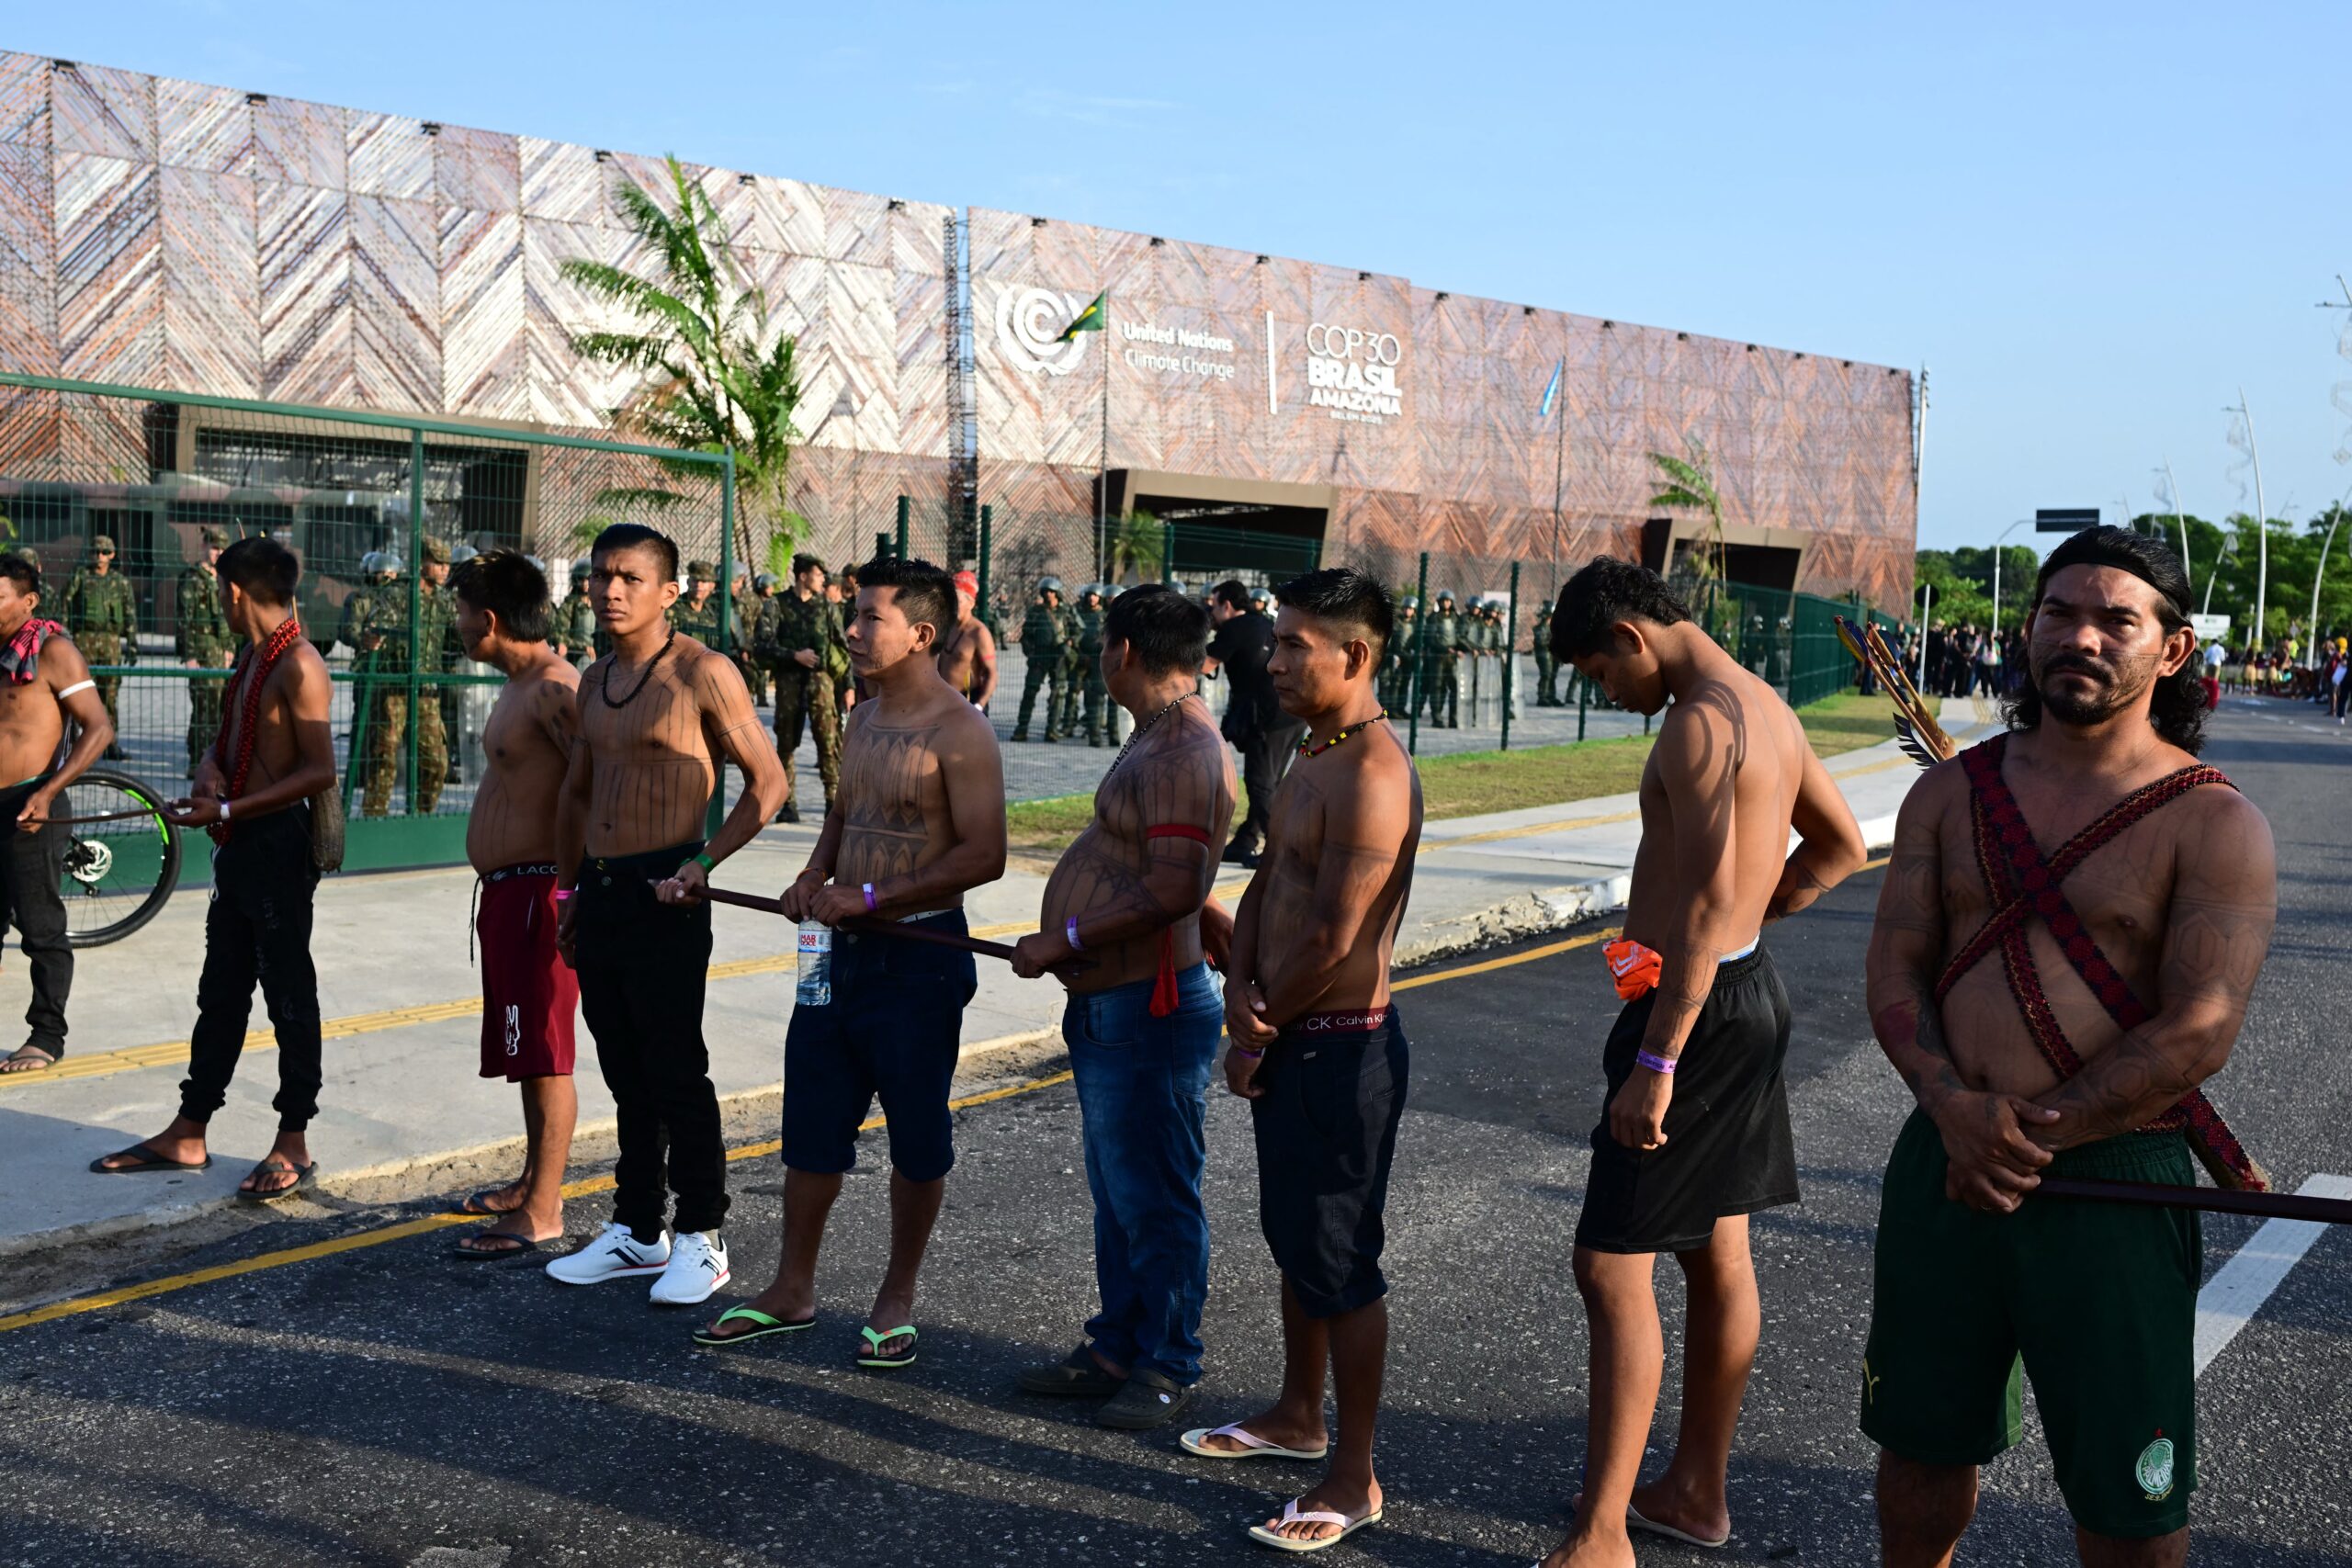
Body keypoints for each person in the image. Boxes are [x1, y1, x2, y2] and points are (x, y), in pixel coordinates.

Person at [1861, 526, 2277, 1568]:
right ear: (2029, 626)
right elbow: (1895, 967)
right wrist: (1953, 1109)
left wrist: (2032, 1137)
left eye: (2115, 620)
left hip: (2110, 1181)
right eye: (2059, 612)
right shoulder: (1948, 794)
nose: (2080, 637)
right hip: (1945, 1162)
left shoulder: (2212, 824)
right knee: (1915, 1465)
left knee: (2127, 1505)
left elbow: (2200, 1027)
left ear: (2170, 651)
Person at [1540, 557, 1868, 1568]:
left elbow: (1697, 907)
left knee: (1610, 1264)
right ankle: (1693, 1491)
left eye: (1601, 674)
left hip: (1691, 1016)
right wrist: (1750, 924)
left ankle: (1602, 1539)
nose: (1610, 695)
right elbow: (1838, 847)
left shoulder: (1698, 721)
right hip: (1739, 991)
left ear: (1633, 636)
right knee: (1715, 1248)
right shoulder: (1763, 702)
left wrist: (1658, 1058)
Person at [695, 557, 1006, 1369]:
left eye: (871, 617)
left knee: (916, 1133)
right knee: (813, 1121)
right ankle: (791, 1287)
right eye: (854, 613)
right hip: (832, 954)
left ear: (922, 634)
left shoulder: (960, 731)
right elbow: (844, 808)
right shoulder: (864, 716)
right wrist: (812, 876)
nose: (853, 629)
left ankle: (896, 1295)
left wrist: (873, 899)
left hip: (919, 958)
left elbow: (986, 854)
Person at [1186, 567, 1417, 1551]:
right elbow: (1276, 885)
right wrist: (1237, 973)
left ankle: (1353, 1473)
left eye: (1292, 645)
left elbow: (1334, 935)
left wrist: (1255, 1027)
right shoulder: (1314, 751)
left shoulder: (1371, 774)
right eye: (1275, 641)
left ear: (1353, 656)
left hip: (1336, 1048)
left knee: (1339, 1260)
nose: (1271, 660)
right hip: (1285, 1029)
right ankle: (1295, 1415)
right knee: (1296, 1243)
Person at [1009, 584, 1236, 1427]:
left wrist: (1062, 938)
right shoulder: (1157, 736)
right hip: (1116, 1002)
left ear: (1124, 651)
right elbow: (1178, 875)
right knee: (1121, 1189)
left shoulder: (1182, 748)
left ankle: (1169, 1360)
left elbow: (1173, 885)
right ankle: (1118, 1345)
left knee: (1159, 1193)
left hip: (1149, 1006)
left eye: (1106, 644)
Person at [542, 524, 784, 1303]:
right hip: (605, 889)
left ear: (669, 591)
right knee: (622, 1072)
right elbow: (578, 791)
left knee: (676, 1068)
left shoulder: (705, 673)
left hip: (668, 890)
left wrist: (703, 864)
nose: (610, 591)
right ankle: (638, 1228)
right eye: (600, 576)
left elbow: (769, 783)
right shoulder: (592, 678)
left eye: (629, 578)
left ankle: (703, 1236)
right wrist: (569, 890)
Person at [92, 537, 335, 1197]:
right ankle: (189, 1128)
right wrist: (209, 772)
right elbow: (228, 741)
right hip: (240, 844)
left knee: (289, 993)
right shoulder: (255, 657)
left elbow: (320, 770)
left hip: (278, 846)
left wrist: (230, 802)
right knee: (221, 991)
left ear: (232, 591)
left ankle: (293, 1140)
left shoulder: (300, 663)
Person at [445, 552, 582, 1259]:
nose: (458, 624)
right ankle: (533, 1180)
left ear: (489, 618)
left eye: (462, 611)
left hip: (539, 895)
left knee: (548, 1052)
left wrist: (568, 891)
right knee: (526, 1050)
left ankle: (545, 1207)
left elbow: (594, 788)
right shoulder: (519, 683)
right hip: (509, 895)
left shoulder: (557, 688)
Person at [0, 555, 113, 1076]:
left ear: (29, 601)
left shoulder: (52, 652)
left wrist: (49, 792)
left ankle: (46, 1034)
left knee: (41, 927)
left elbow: (98, 729)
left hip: (32, 805)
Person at [1204, 580, 1302, 868]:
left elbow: (1204, 665)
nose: (1211, 610)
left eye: (1213, 604)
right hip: (1290, 714)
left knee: (1260, 784)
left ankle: (1281, 852)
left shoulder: (1233, 628)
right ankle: (1246, 840)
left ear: (1227, 606)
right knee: (1271, 782)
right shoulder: (1261, 622)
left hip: (1266, 718)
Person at [357, 537, 453, 817]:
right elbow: (373, 625)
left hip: (426, 689)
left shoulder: (443, 600)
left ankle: (423, 816)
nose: (444, 569)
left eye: (447, 564)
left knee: (435, 760)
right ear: (422, 562)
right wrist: (372, 636)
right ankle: (374, 817)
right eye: (438, 563)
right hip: (394, 687)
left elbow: (457, 636)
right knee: (385, 755)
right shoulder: (399, 594)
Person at [757, 553, 847, 825]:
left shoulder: (828, 607)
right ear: (803, 576)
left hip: (822, 684)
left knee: (828, 743)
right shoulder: (777, 605)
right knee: (785, 742)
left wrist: (849, 686)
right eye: (818, 575)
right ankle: (787, 803)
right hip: (788, 683)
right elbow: (761, 645)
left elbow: (842, 646)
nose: (823, 580)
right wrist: (794, 655)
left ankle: (833, 801)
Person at [62, 534, 134, 759]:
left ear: (112, 555)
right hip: (85, 639)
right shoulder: (81, 576)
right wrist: (63, 637)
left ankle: (110, 744)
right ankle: (78, 745)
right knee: (80, 693)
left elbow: (129, 612)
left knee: (110, 693)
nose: (99, 557)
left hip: (110, 642)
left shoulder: (120, 582)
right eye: (95, 552)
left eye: (104, 553)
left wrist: (132, 644)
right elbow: (66, 604)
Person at [177, 525, 234, 775]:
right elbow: (184, 621)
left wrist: (230, 647)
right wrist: (189, 655)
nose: (217, 553)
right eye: (213, 548)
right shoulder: (192, 579)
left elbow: (231, 618)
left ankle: (210, 760)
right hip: (201, 651)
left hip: (220, 651)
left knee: (218, 708)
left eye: (222, 549)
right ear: (204, 547)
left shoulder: (223, 578)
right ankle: (198, 762)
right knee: (204, 708)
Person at [1012, 577, 1069, 742]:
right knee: (1029, 692)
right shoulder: (1036, 611)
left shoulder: (1066, 612)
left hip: (1058, 658)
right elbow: (1026, 635)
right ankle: (1021, 729)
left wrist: (1070, 644)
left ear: (1057, 593)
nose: (1048, 594)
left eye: (1051, 591)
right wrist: (1030, 653)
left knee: (1058, 694)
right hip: (1038, 657)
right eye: (1045, 591)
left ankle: (1052, 730)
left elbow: (1076, 630)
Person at [934, 568, 999, 709]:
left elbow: (992, 673)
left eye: (958, 602)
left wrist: (979, 705)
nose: (953, 607)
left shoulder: (979, 633)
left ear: (971, 603)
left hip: (968, 703)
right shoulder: (947, 626)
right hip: (943, 701)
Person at [1075, 583, 1124, 747]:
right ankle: (1095, 736)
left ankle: (1114, 734)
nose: (1112, 601)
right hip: (1098, 661)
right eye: (1109, 598)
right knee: (1096, 701)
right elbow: (1088, 639)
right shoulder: (1099, 616)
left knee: (1114, 703)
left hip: (1117, 663)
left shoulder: (1125, 618)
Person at [558, 559, 599, 669]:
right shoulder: (570, 604)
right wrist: (583, 647)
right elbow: (561, 633)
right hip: (577, 654)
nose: (585, 583)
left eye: (588, 579)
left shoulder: (599, 603)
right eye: (581, 579)